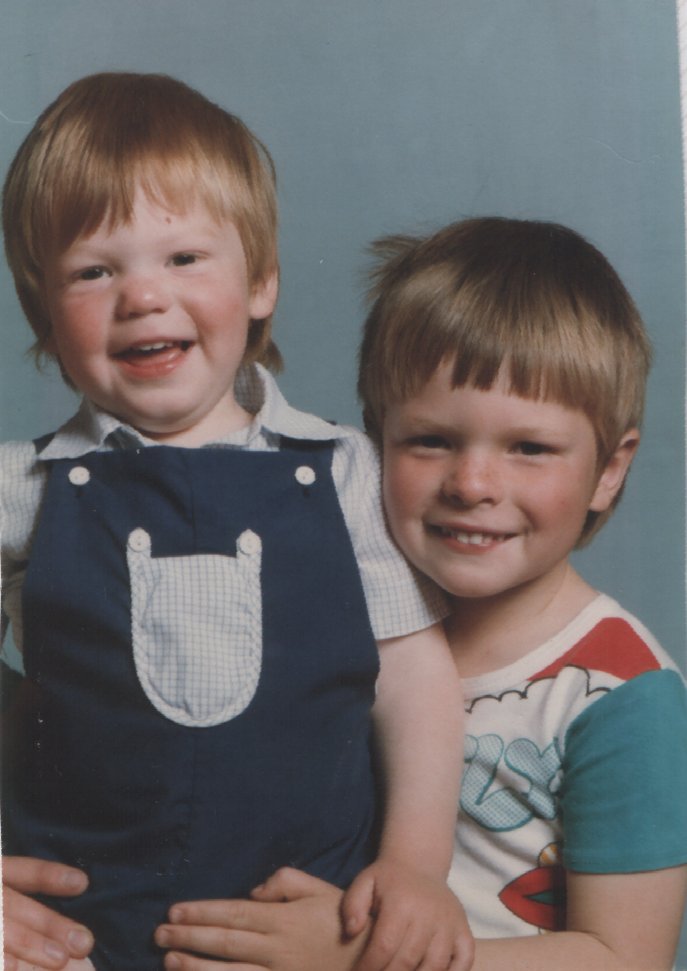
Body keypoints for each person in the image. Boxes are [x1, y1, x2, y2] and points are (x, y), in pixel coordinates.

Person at [0, 73, 474, 971]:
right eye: (94, 271)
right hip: (77, 933)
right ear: (45, 317)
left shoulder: (343, 471)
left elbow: (413, 679)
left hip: (304, 927)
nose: (143, 296)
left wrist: (416, 867)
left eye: (184, 258)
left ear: (260, 282)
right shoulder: (23, 487)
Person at [151, 217, 687, 971]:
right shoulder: (321, 611)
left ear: (609, 469)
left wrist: (356, 960)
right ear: (371, 445)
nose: (472, 483)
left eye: (529, 447)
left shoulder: (621, 696)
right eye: (430, 440)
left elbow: (626, 959)